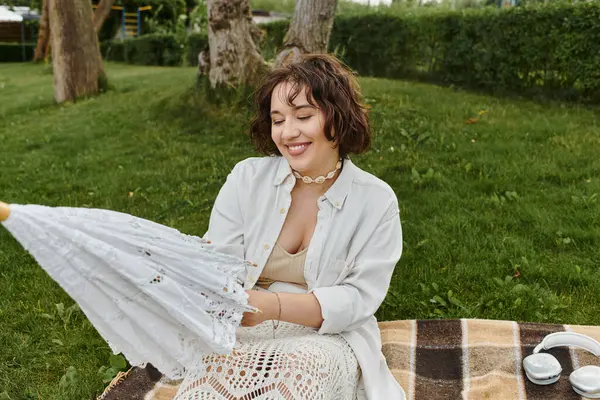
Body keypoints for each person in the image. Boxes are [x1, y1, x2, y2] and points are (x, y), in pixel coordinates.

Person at [173, 54, 405, 400]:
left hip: (325, 336)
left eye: (304, 116)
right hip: (244, 324)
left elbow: (358, 298)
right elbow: (220, 264)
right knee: (207, 379)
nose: (288, 132)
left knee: (301, 374)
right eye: (277, 120)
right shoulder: (246, 179)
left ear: (337, 119)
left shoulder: (376, 201)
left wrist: (273, 306)